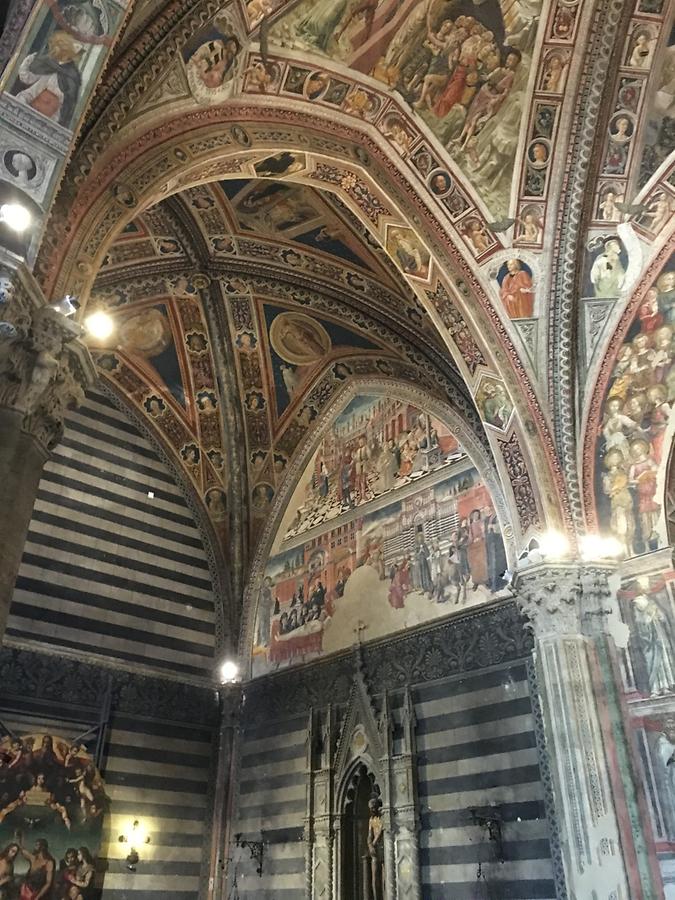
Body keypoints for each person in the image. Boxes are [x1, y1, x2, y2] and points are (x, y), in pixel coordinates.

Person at [366, 797, 385, 900]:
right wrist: (369, 844)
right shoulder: (372, 820)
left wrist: (373, 843)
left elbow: (380, 832)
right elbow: (370, 834)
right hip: (375, 851)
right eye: (370, 808)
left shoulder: (382, 817)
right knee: (374, 879)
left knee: (384, 879)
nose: (371, 810)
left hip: (383, 849)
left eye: (373, 807)